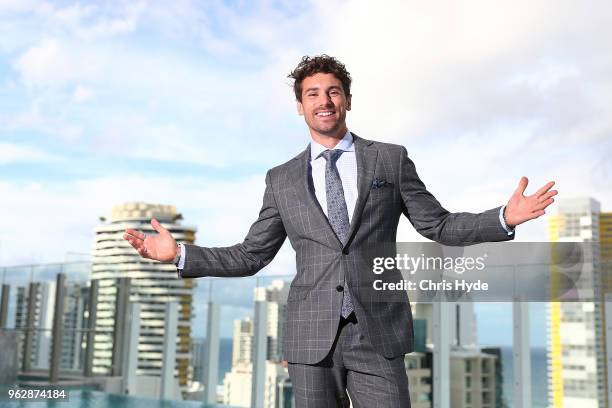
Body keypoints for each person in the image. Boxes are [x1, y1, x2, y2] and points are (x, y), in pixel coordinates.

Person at [124, 55, 557, 407]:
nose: (323, 100)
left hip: (379, 331)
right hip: (310, 337)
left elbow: (436, 224)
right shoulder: (282, 179)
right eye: (312, 94)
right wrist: (180, 254)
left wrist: (503, 217)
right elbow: (252, 254)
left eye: (333, 91)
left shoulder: (389, 159)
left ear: (347, 99)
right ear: (300, 106)